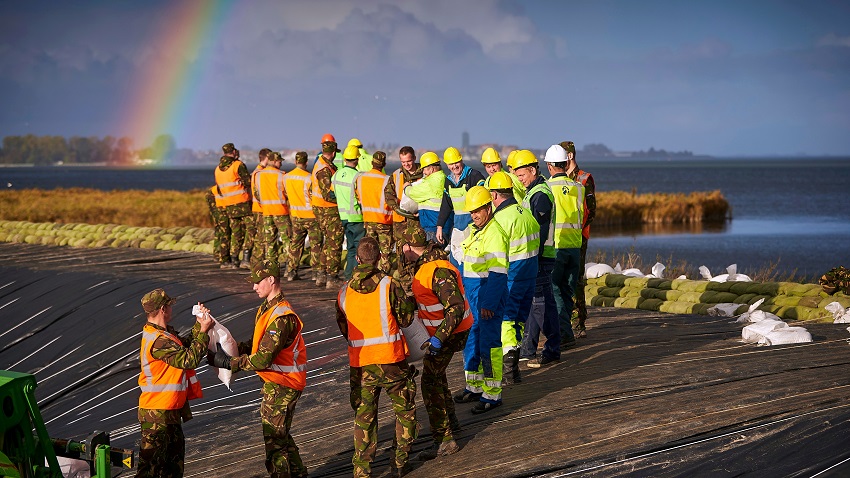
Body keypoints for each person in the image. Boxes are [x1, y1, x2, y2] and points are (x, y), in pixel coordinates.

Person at [208, 261, 309, 478]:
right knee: (280, 436)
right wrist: (230, 350)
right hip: (277, 382)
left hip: (284, 383)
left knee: (274, 443)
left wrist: (229, 363)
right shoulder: (268, 309)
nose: (254, 287)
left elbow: (263, 358)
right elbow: (258, 344)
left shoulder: (281, 317)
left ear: (271, 280)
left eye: (257, 281)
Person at [335, 237, 417, 478]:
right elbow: (406, 319)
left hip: (361, 366)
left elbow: (344, 329)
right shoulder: (389, 285)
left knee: (364, 418)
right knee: (404, 411)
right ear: (380, 258)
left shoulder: (344, 291)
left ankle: (362, 470)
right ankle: (399, 463)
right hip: (392, 362)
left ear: (357, 259)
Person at [400, 222, 471, 461]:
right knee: (437, 375)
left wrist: (439, 339)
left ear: (409, 246)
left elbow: (456, 307)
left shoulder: (437, 270)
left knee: (430, 382)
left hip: (451, 332)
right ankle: (452, 425)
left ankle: (445, 440)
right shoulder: (428, 264)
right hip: (446, 332)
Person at [137, 288, 212, 478]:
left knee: (173, 468)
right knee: (151, 471)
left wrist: (199, 325)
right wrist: (203, 331)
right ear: (163, 309)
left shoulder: (164, 334)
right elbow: (188, 360)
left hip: (169, 411)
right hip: (157, 416)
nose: (171, 309)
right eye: (169, 305)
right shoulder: (158, 341)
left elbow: (184, 346)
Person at [453, 186, 510, 414]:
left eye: (478, 210)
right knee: (472, 341)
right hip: (474, 296)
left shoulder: (494, 233)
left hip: (487, 297)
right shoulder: (476, 230)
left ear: (489, 207)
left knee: (489, 345)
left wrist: (489, 303)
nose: (474, 215)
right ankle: (474, 386)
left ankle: (492, 394)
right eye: (472, 211)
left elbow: (498, 274)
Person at [486, 171, 539, 385]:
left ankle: (508, 373)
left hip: (512, 278)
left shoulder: (499, 220)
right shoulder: (527, 214)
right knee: (518, 321)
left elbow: (495, 255)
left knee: (507, 322)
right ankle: (514, 370)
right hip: (530, 276)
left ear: (495, 195)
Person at [512, 150, 561, 367]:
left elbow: (539, 232)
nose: (520, 180)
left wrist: (530, 256)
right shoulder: (532, 192)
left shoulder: (539, 195)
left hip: (539, 257)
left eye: (522, 175)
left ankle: (548, 347)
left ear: (533, 170)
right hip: (538, 257)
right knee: (539, 304)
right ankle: (536, 348)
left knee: (540, 305)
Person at [544, 144, 585, 350]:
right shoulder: (579, 187)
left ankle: (564, 334)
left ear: (550, 166)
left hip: (557, 246)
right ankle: (565, 330)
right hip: (575, 246)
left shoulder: (547, 188)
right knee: (568, 291)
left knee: (554, 290)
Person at [561, 141, 596, 339]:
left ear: (570, 156)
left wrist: (577, 229)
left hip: (578, 237)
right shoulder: (556, 179)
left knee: (575, 278)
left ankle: (578, 321)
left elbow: (591, 211)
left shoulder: (584, 179)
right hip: (559, 237)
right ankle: (565, 319)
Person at [440, 146, 485, 267]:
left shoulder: (474, 176)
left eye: (456, 162)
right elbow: (446, 205)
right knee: (455, 260)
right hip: (458, 227)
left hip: (474, 226)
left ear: (461, 161)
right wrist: (440, 226)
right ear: (447, 165)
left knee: (472, 260)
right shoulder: (448, 181)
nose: (454, 166)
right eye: (451, 164)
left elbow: (484, 200)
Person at [311, 134, 344, 288]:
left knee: (327, 242)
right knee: (335, 242)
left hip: (320, 209)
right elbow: (327, 194)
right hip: (327, 209)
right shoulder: (324, 169)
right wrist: (342, 200)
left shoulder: (320, 164)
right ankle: (332, 277)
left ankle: (321, 275)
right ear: (333, 152)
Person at [214, 143, 252, 269]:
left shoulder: (217, 170)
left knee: (236, 233)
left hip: (229, 205)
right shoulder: (238, 165)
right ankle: (246, 258)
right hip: (243, 203)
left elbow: (219, 190)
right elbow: (248, 182)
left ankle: (234, 258)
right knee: (251, 229)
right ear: (234, 151)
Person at [284, 152, 320, 282]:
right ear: (306, 162)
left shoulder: (286, 177)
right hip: (310, 216)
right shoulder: (309, 178)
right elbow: (313, 196)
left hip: (295, 216)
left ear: (295, 162)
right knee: (316, 245)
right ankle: (316, 273)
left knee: (296, 245)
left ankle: (291, 272)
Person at [356, 151, 394, 273]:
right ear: (384, 164)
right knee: (385, 252)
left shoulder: (361, 179)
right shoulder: (387, 179)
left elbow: (358, 197)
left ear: (372, 163)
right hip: (384, 220)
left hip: (368, 220)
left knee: (369, 251)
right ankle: (383, 276)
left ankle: (369, 274)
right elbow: (391, 200)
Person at [403, 151, 452, 244]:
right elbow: (430, 199)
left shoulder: (431, 182)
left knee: (431, 255)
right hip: (441, 226)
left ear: (432, 169)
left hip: (433, 227)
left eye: (425, 169)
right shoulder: (444, 178)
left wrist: (406, 187)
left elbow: (414, 193)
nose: (423, 172)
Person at [333, 145, 365, 281]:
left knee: (351, 248)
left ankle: (348, 275)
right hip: (356, 217)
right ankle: (356, 276)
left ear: (345, 159)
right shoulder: (358, 176)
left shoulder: (336, 175)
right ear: (357, 160)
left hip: (343, 216)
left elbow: (333, 193)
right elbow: (361, 197)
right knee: (359, 249)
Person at [256, 152, 292, 268]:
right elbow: (287, 193)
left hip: (266, 213)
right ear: (275, 161)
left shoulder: (258, 175)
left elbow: (257, 194)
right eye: (280, 161)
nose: (281, 163)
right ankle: (289, 266)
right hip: (280, 212)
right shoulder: (282, 175)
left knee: (270, 242)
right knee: (287, 239)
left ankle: (271, 267)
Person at [385, 146, 422, 245]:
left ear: (414, 158)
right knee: (401, 253)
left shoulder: (424, 173)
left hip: (420, 220)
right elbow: (388, 195)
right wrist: (397, 209)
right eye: (403, 162)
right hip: (401, 222)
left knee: (419, 249)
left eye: (408, 161)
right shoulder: (396, 175)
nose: (406, 164)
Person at [247, 148, 272, 269]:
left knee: (262, 237)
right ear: (266, 158)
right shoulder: (259, 173)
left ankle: (258, 263)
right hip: (260, 209)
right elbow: (258, 193)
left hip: (260, 208)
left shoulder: (258, 172)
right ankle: (256, 264)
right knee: (262, 237)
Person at [205, 185, 230, 265]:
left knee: (219, 228)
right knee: (222, 229)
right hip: (217, 199)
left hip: (216, 196)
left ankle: (217, 253)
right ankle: (219, 253)